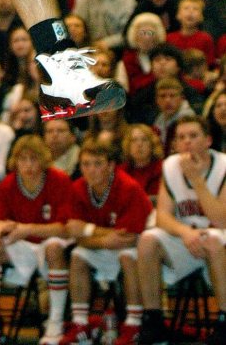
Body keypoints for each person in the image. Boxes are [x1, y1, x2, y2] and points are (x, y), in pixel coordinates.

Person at [0, 134, 72, 345]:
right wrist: (0, 227)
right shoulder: (8, 184)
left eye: (33, 159)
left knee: (54, 248)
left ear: (43, 160)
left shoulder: (59, 180)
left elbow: (65, 229)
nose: (28, 165)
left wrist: (26, 229)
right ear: (15, 161)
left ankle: (55, 321)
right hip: (25, 243)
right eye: (23, 159)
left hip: (52, 241)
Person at [136, 115, 226, 345]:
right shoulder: (170, 165)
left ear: (208, 140)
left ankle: (225, 319)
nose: (186, 142)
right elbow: (163, 217)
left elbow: (220, 219)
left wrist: (197, 181)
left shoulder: (224, 165)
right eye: (181, 137)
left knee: (213, 238)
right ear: (174, 144)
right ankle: (153, 319)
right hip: (187, 238)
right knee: (148, 239)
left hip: (219, 239)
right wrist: (185, 233)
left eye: (193, 136)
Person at [60, 138, 153, 345]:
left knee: (128, 256)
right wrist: (101, 237)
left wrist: (89, 230)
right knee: (77, 256)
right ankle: (80, 323)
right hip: (101, 247)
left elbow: (128, 238)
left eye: (97, 164)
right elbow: (75, 235)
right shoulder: (77, 188)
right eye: (86, 164)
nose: (91, 170)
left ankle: (134, 323)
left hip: (137, 248)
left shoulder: (129, 188)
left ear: (111, 165)